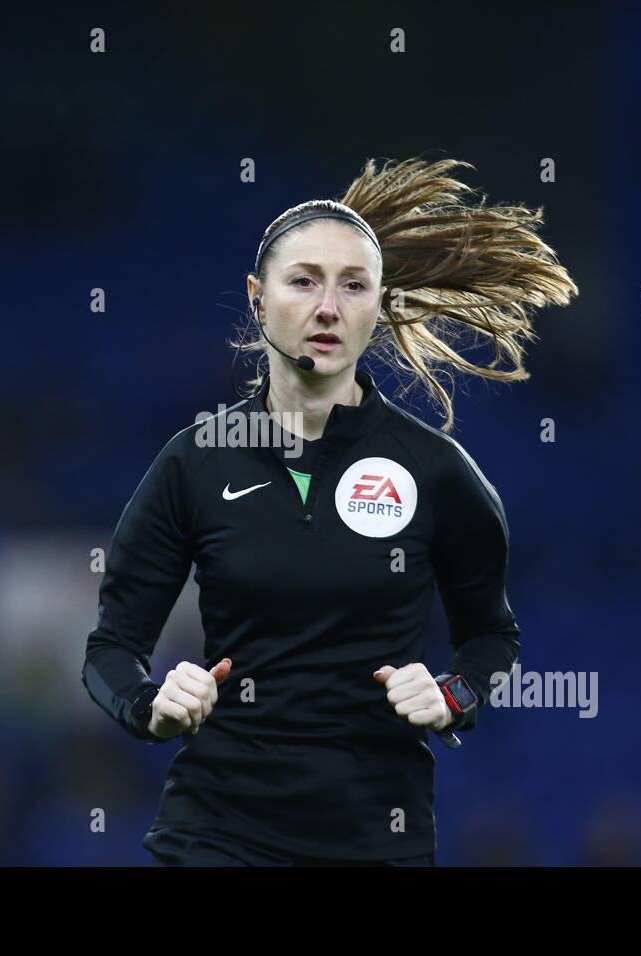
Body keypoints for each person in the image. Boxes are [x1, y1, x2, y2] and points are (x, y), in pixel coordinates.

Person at [82, 157, 578, 866]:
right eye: (304, 281)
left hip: (379, 839)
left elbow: (493, 639)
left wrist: (452, 693)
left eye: (353, 286)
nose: (327, 308)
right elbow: (109, 650)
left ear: (379, 305)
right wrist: (150, 705)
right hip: (216, 834)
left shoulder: (436, 472)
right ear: (258, 299)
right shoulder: (195, 461)